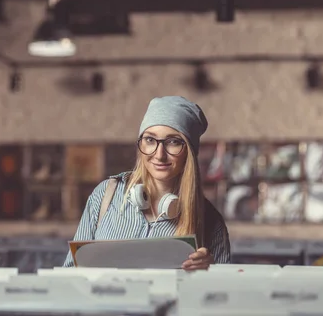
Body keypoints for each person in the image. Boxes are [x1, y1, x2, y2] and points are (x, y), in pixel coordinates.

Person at [63, 96, 230, 270]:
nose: (159, 154)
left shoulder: (210, 221)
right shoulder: (106, 194)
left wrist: (211, 272)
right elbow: (69, 271)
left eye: (173, 142)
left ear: (189, 151)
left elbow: (220, 294)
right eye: (150, 140)